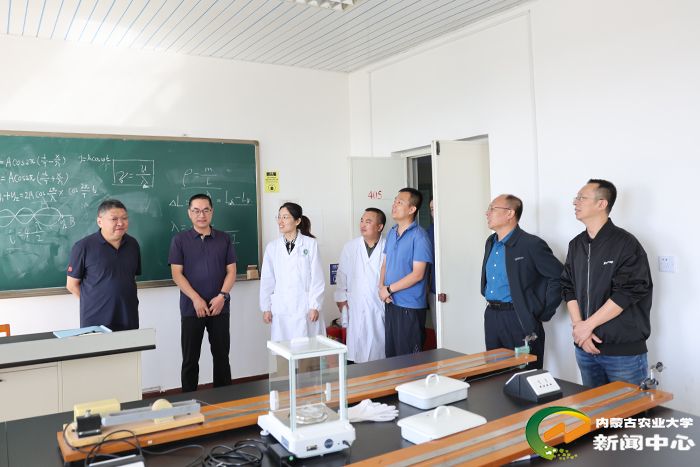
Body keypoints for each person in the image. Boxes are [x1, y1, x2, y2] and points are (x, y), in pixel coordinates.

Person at [561, 179, 653, 387]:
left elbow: (628, 292)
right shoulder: (576, 245)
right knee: (593, 407)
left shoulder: (626, 244)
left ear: (601, 204)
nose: (575, 202)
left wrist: (587, 326)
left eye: (582, 198)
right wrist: (580, 329)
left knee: (629, 408)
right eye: (576, 198)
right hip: (584, 348)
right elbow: (568, 287)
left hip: (622, 354)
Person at [481, 194, 563, 369]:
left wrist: (542, 311)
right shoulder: (490, 242)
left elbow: (560, 276)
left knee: (524, 373)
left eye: (492, 209)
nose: (487, 213)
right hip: (492, 316)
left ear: (510, 213)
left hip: (518, 317)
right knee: (494, 372)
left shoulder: (531, 244)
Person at [169, 194, 237, 392]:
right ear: (189, 213)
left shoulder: (224, 239)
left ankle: (224, 400)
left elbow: (232, 271)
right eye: (196, 211)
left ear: (212, 212)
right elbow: (176, 274)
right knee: (190, 359)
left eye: (206, 210)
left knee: (222, 357)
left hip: (219, 307)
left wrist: (222, 296)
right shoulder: (179, 240)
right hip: (192, 308)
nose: (201, 215)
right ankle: (188, 402)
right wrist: (196, 299)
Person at [66, 199, 141, 331]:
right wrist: (93, 302)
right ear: (100, 221)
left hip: (128, 316)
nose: (120, 223)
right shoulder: (83, 247)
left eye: (124, 218)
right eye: (114, 219)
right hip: (96, 320)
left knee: (129, 345)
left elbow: (131, 278)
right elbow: (72, 285)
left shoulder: (133, 244)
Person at [379, 188, 433, 357]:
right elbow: (385, 264)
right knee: (392, 354)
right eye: (395, 201)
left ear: (411, 209)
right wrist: (381, 288)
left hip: (410, 306)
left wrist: (389, 289)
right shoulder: (392, 233)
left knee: (408, 358)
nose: (394, 205)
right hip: (391, 303)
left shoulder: (420, 236)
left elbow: (418, 274)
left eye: (400, 202)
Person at [260, 202, 325, 341]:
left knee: (306, 348)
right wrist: (266, 308)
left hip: (305, 308)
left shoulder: (310, 244)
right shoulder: (272, 247)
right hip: (281, 308)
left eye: (285, 217)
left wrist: (315, 306)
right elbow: (267, 280)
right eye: (279, 217)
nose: (280, 221)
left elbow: (317, 278)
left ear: (297, 221)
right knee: (283, 348)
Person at [335, 208, 387, 363]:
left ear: (379, 227)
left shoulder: (388, 246)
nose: (363, 224)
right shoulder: (350, 247)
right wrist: (341, 300)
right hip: (355, 304)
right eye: (362, 220)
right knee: (356, 348)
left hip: (379, 304)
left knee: (379, 347)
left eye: (368, 221)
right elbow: (341, 275)